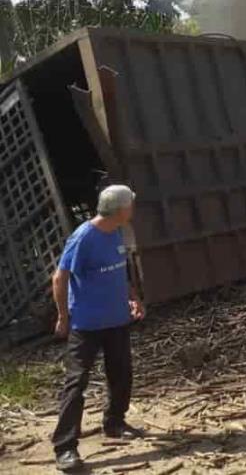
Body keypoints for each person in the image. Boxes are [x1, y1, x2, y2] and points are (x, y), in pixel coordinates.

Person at [50, 184, 146, 473]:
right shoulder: (84, 238)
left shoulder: (117, 230)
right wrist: (63, 317)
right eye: (131, 204)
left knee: (121, 373)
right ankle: (65, 447)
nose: (133, 208)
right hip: (87, 325)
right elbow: (59, 278)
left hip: (116, 320)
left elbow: (119, 269)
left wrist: (134, 297)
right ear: (120, 209)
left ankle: (114, 422)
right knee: (76, 383)